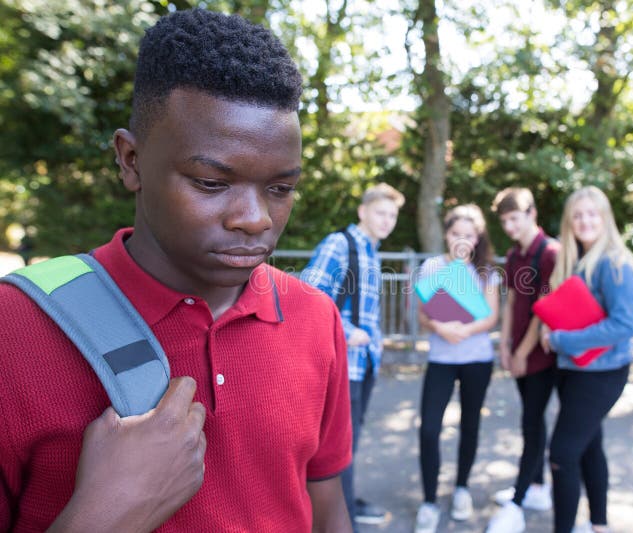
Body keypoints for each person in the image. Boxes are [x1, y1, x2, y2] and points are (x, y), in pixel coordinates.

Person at [0, 9, 353, 532]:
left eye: (280, 189)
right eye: (211, 183)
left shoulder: (314, 316)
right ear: (131, 160)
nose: (255, 219)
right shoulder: (14, 327)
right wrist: (105, 513)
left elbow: (325, 504)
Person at [540, 186, 633, 533]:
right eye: (577, 214)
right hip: (577, 370)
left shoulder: (615, 264)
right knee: (588, 446)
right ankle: (599, 525)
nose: (584, 221)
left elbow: (624, 325)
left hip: (601, 374)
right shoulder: (578, 260)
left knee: (562, 455)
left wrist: (560, 339)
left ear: (605, 218)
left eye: (592, 213)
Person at [300, 183, 404, 531]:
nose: (387, 220)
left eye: (392, 215)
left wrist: (376, 341)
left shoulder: (371, 251)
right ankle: (339, 522)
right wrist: (347, 333)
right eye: (380, 212)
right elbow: (310, 298)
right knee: (338, 447)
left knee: (348, 442)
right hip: (342, 364)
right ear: (363, 211)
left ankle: (345, 504)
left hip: (365, 364)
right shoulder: (340, 244)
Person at [414, 204, 501, 533]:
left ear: (477, 238)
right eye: (455, 233)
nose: (461, 239)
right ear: (446, 234)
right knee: (429, 430)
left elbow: (491, 317)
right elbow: (423, 315)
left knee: (470, 424)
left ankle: (462, 487)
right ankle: (428, 501)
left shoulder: (486, 272)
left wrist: (463, 330)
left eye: (468, 234)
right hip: (441, 359)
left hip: (477, 360)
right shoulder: (432, 267)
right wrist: (440, 328)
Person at [486, 188, 560, 533]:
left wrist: (520, 352)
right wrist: (504, 345)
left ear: (532, 213)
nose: (510, 226)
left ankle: (516, 503)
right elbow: (514, 301)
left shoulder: (551, 253)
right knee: (533, 422)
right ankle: (538, 488)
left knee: (532, 425)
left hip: (541, 357)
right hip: (518, 352)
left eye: (514, 218)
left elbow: (544, 312)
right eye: (504, 221)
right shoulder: (515, 255)